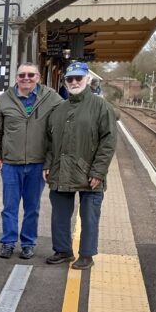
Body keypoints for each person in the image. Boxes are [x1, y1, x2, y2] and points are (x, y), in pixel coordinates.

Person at [44, 62, 117, 269]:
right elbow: (50, 141)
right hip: (60, 170)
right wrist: (48, 164)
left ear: (87, 79)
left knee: (90, 216)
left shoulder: (101, 106)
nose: (74, 82)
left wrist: (99, 172)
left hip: (89, 173)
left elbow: (109, 141)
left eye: (78, 78)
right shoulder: (59, 109)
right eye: (70, 79)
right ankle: (63, 250)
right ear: (65, 82)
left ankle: (87, 254)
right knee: (59, 214)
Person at [0, 62, 62, 260]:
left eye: (31, 75)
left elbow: (62, 124)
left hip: (37, 163)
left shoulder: (51, 98)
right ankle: (8, 242)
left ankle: (28, 243)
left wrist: (49, 163)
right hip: (11, 163)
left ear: (38, 77)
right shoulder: (5, 99)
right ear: (16, 78)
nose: (26, 78)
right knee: (9, 206)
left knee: (32, 207)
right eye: (22, 75)